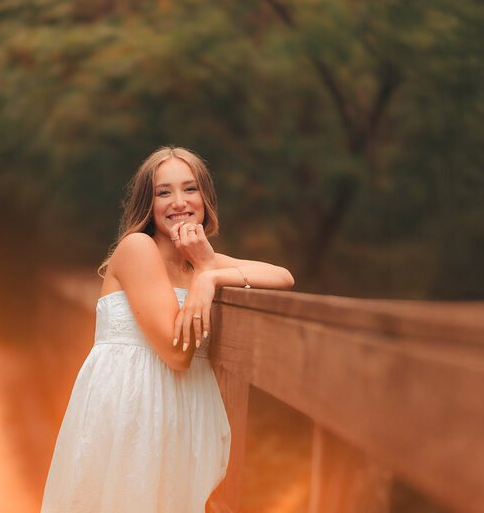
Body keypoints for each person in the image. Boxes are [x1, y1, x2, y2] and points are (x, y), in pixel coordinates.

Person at [40, 146, 294, 512]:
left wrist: (207, 274)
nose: (179, 202)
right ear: (149, 203)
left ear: (205, 198)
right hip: (135, 412)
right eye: (164, 192)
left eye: (190, 189)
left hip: (185, 410)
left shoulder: (198, 262)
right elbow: (177, 354)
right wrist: (207, 272)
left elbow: (283, 277)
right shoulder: (137, 248)